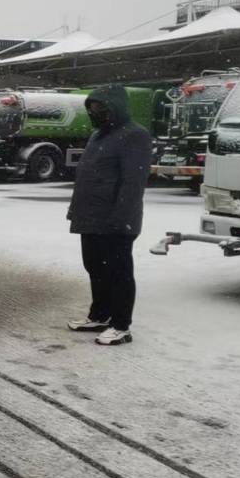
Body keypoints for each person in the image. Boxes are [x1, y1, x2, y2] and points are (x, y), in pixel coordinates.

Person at [66, 84, 152, 346]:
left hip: (115, 220)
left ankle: (121, 325)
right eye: (92, 108)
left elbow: (132, 182)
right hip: (90, 217)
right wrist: (76, 211)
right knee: (95, 269)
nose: (96, 113)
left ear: (116, 107)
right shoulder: (98, 135)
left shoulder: (135, 135)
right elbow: (87, 178)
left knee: (118, 272)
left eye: (101, 108)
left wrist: (121, 218)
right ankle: (100, 315)